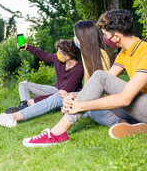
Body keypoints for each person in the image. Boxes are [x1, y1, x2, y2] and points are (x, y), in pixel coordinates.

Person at [20, 9, 147, 147]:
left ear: (116, 37)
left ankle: (56, 133)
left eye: (105, 35)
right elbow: (102, 82)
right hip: (139, 110)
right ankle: (138, 127)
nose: (103, 38)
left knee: (96, 86)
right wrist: (75, 98)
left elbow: (125, 98)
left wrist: (81, 106)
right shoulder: (124, 54)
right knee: (96, 95)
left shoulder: (145, 52)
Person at [0, 21, 135, 129]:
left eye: (76, 35)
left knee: (62, 98)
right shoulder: (86, 54)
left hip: (101, 101)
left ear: (83, 37)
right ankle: (17, 113)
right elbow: (89, 86)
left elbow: (101, 88)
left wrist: (75, 99)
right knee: (61, 98)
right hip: (89, 97)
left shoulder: (99, 56)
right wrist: (75, 98)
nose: (74, 38)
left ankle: (14, 117)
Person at [5, 39, 84, 113]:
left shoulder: (78, 69)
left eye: (59, 53)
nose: (57, 54)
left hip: (66, 96)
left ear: (67, 57)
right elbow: (44, 56)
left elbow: (63, 92)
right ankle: (24, 107)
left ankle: (24, 110)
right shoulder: (58, 59)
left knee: (56, 95)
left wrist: (35, 100)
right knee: (23, 85)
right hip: (57, 90)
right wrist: (27, 47)